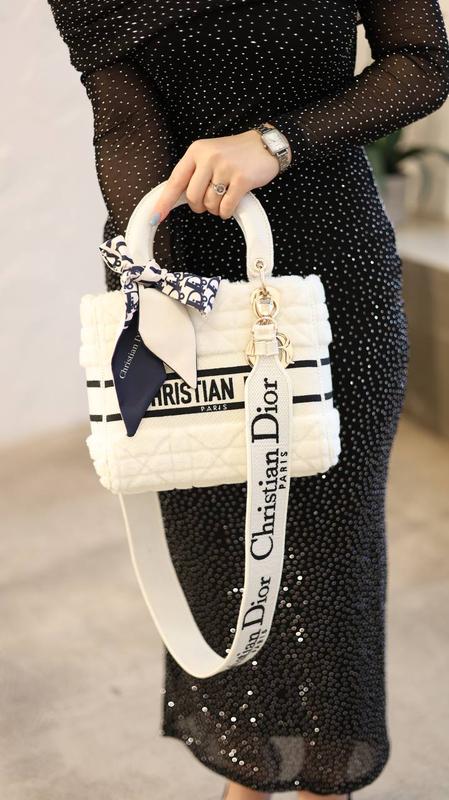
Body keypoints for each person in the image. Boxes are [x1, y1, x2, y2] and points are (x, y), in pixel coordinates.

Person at [47, 2, 449, 799]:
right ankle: (251, 766)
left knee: (333, 549)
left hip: (332, 269)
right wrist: (153, 300)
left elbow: (422, 63)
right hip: (182, 277)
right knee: (214, 550)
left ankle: (325, 777)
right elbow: (125, 126)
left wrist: (275, 142)